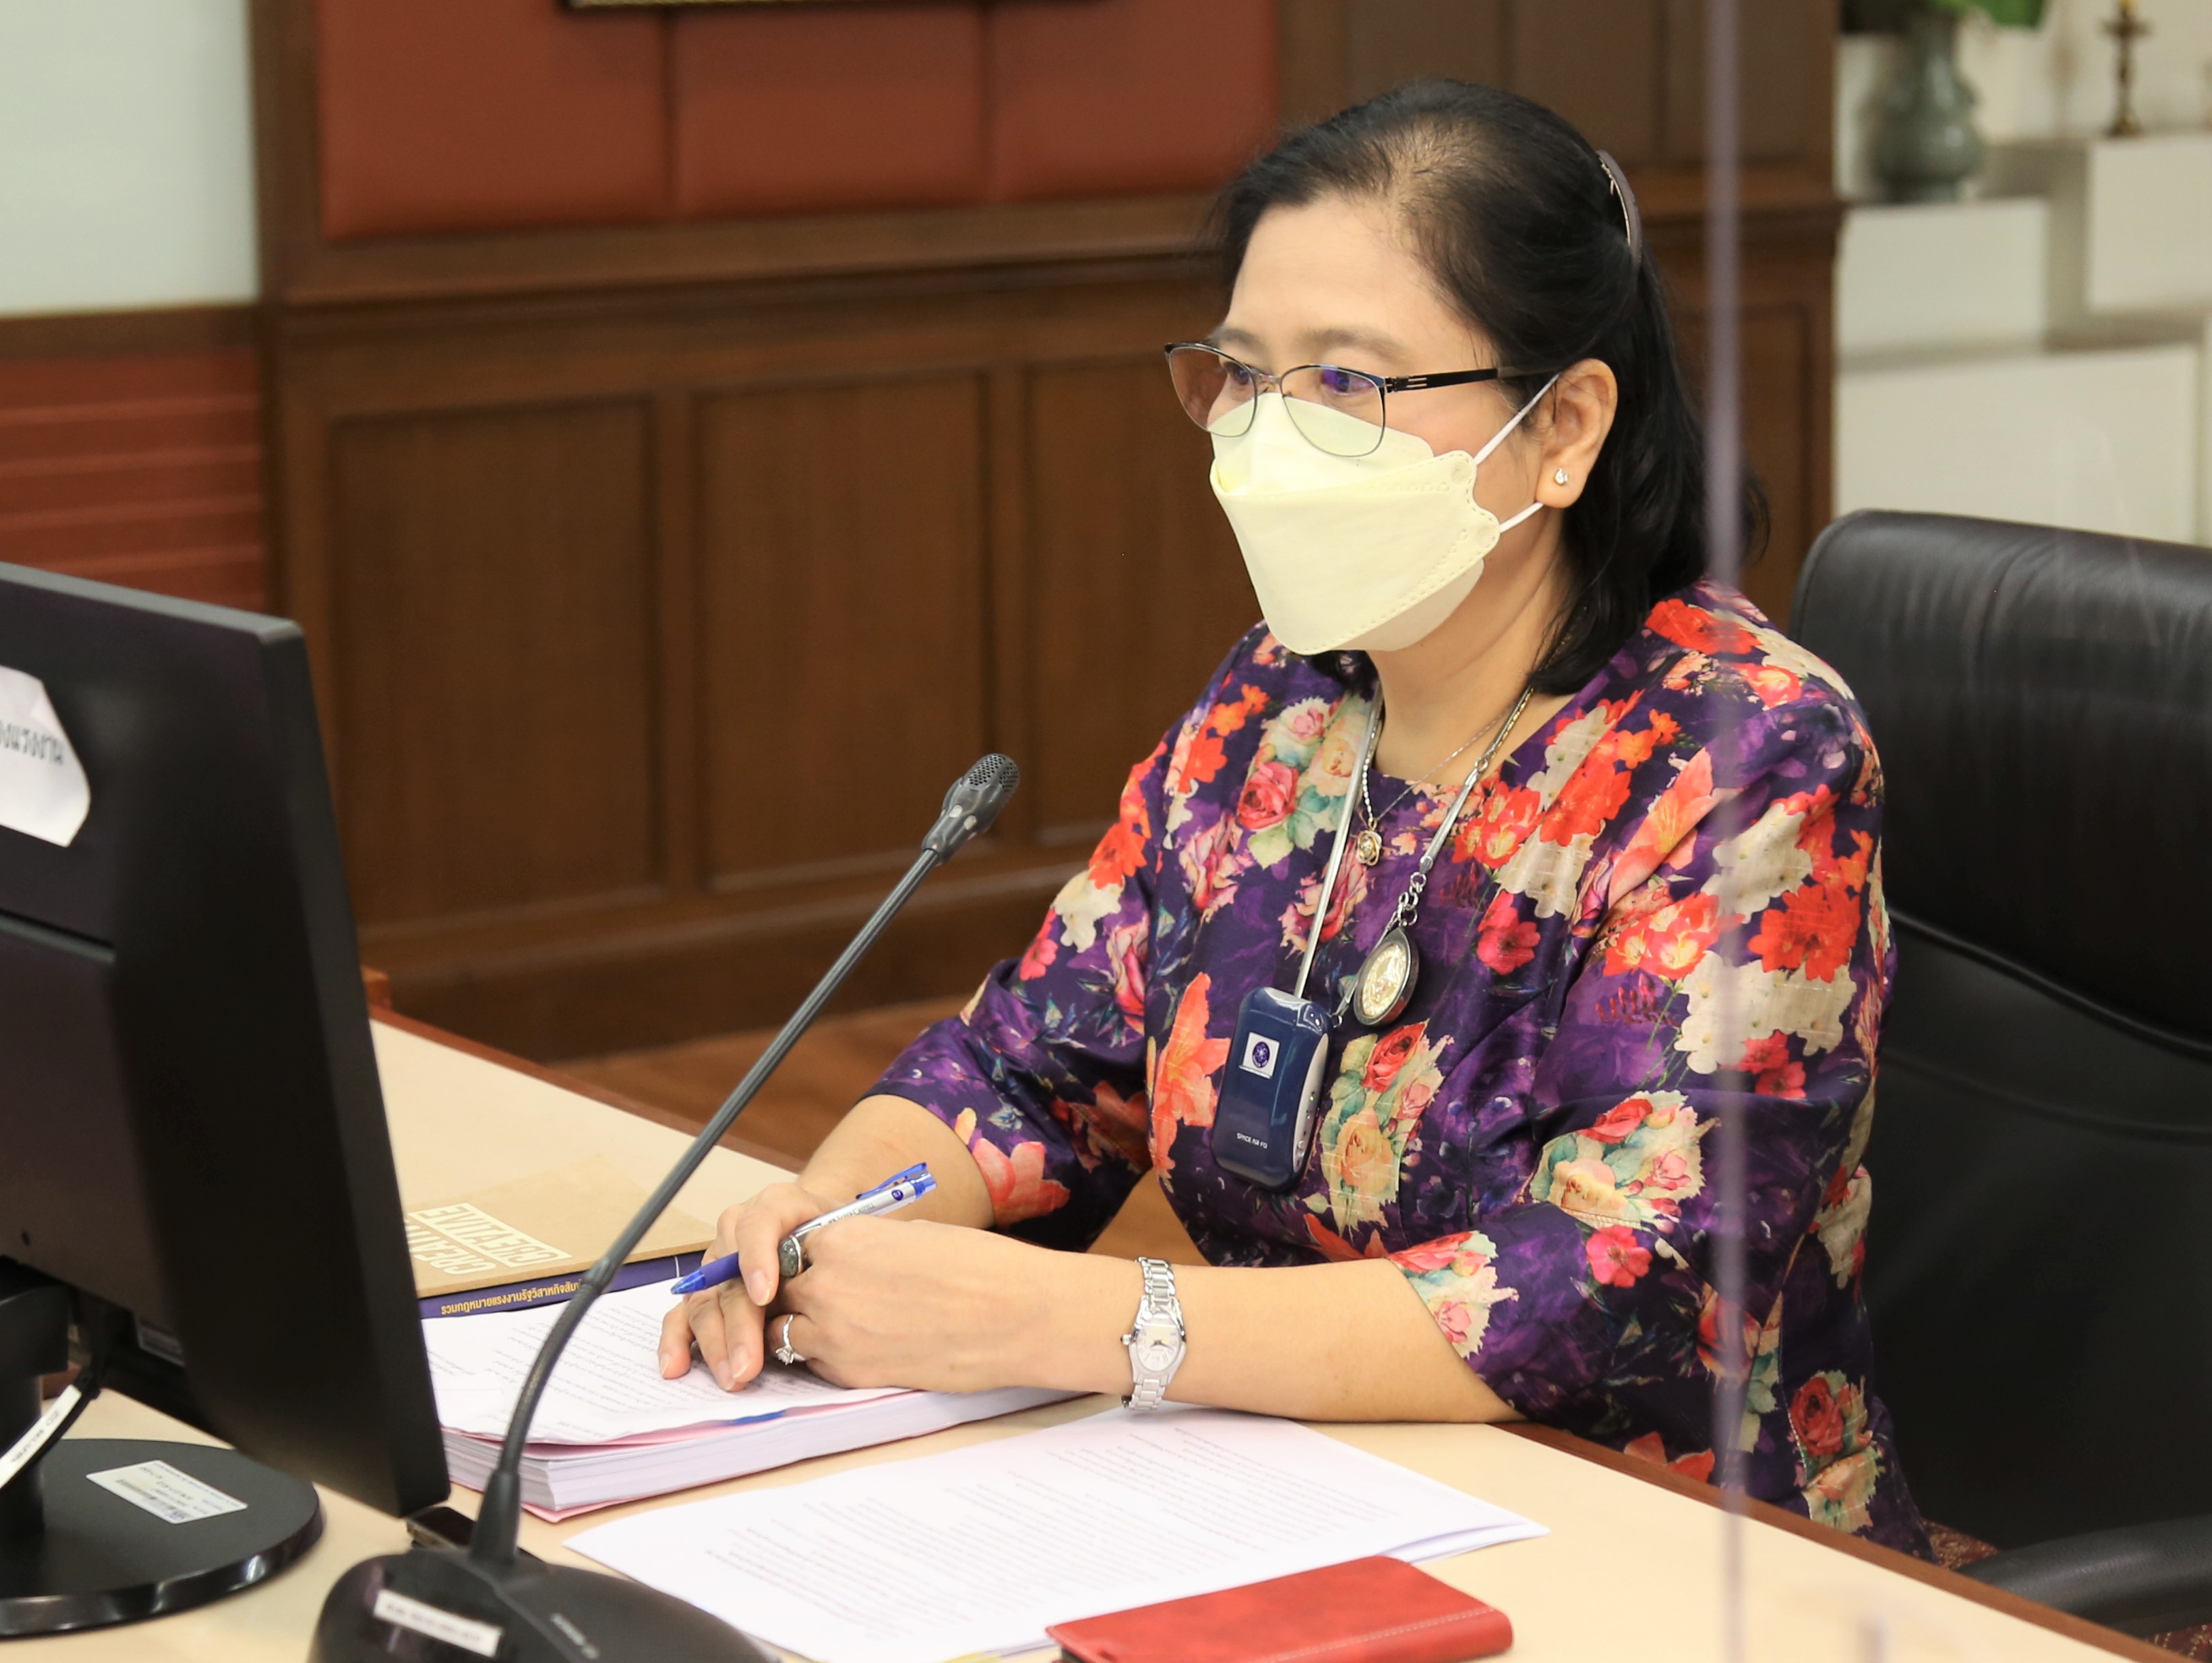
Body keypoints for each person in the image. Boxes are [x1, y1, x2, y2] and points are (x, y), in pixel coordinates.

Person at [661, 80, 1928, 1554]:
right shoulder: (1281, 698)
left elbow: (1619, 1282)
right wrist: (830, 1219)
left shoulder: (1747, 753)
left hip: (1667, 1551)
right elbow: (1031, 1070)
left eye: (1344, 383)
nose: (1265, 437)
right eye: (1243, 375)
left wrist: (1099, 1323)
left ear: (1564, 424)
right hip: (1284, 1492)